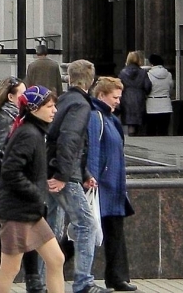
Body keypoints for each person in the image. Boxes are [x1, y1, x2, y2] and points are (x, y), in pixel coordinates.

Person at [0, 86, 68, 293]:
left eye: (55, 106)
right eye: (50, 106)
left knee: (56, 259)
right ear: (35, 109)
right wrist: (36, 193)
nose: (54, 111)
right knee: (10, 268)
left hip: (30, 212)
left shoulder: (34, 131)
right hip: (17, 212)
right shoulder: (28, 134)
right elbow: (10, 172)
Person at [0, 79, 44, 293]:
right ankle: (25, 282)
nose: (26, 98)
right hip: (5, 183)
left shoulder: (20, 119)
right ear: (10, 97)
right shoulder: (3, 120)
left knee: (22, 229)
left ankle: (31, 281)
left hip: (16, 182)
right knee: (10, 232)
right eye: (22, 94)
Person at [47, 59, 103, 293]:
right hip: (64, 175)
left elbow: (62, 139)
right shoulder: (81, 104)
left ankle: (41, 283)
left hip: (55, 170)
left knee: (50, 231)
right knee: (86, 226)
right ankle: (83, 283)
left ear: (69, 78)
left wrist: (84, 173)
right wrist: (64, 174)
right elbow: (70, 139)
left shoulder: (62, 100)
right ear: (90, 82)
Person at [87, 76, 135, 291]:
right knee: (85, 233)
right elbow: (94, 152)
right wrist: (91, 178)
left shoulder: (111, 119)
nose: (118, 101)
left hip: (114, 187)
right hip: (102, 187)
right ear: (101, 95)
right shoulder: (95, 117)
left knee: (114, 232)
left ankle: (117, 278)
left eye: (119, 97)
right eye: (114, 97)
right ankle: (53, 265)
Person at [116, 53, 149, 138]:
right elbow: (147, 86)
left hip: (126, 97)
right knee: (139, 120)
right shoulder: (143, 72)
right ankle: (138, 135)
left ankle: (131, 133)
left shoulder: (122, 72)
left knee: (129, 120)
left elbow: (119, 86)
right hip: (139, 97)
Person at [143, 55, 174, 136]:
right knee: (163, 130)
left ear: (151, 63)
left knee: (151, 129)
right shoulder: (168, 74)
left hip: (151, 104)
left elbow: (146, 88)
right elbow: (171, 88)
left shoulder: (148, 75)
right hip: (166, 104)